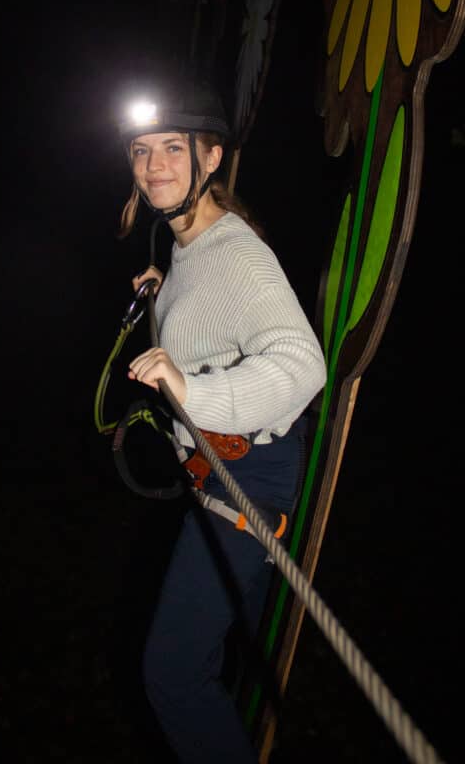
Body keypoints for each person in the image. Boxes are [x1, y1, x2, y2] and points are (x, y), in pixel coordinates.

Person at [117, 79, 327, 764]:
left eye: (173, 148)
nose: (154, 166)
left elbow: (302, 365)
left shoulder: (234, 252)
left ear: (211, 158)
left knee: (173, 675)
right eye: (142, 150)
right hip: (222, 472)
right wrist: (165, 289)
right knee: (226, 662)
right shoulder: (187, 246)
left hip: (245, 483)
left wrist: (191, 391)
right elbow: (211, 313)